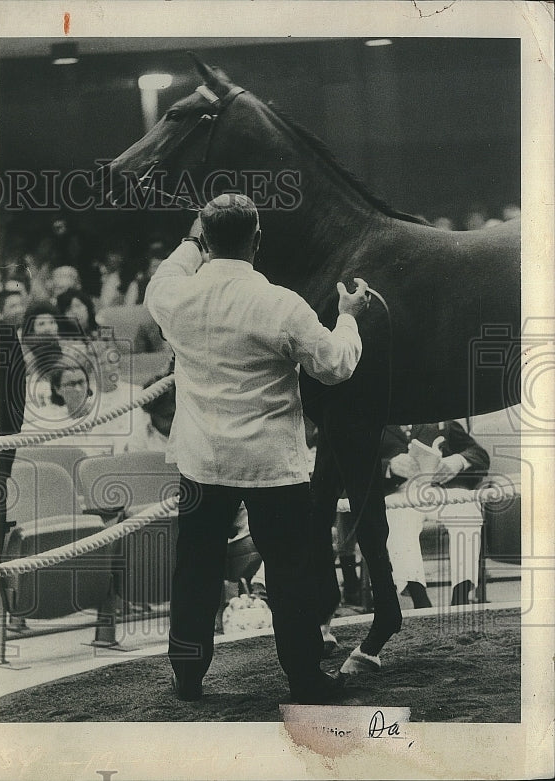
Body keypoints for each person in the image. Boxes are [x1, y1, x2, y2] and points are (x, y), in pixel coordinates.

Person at [145, 192, 370, 704]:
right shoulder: (280, 304)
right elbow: (335, 366)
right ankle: (306, 679)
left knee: (195, 570)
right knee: (291, 574)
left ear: (203, 242)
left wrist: (190, 239)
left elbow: (170, 269)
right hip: (271, 465)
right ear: (258, 241)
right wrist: (349, 315)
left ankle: (188, 676)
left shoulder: (171, 295)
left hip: (203, 461)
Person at [382, 422, 489, 607]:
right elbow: (356, 466)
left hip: (441, 489)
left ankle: (461, 596)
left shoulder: (441, 420)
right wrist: (389, 466)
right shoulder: (374, 424)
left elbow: (479, 454)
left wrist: (458, 460)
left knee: (466, 508)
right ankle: (420, 600)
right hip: (400, 493)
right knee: (397, 517)